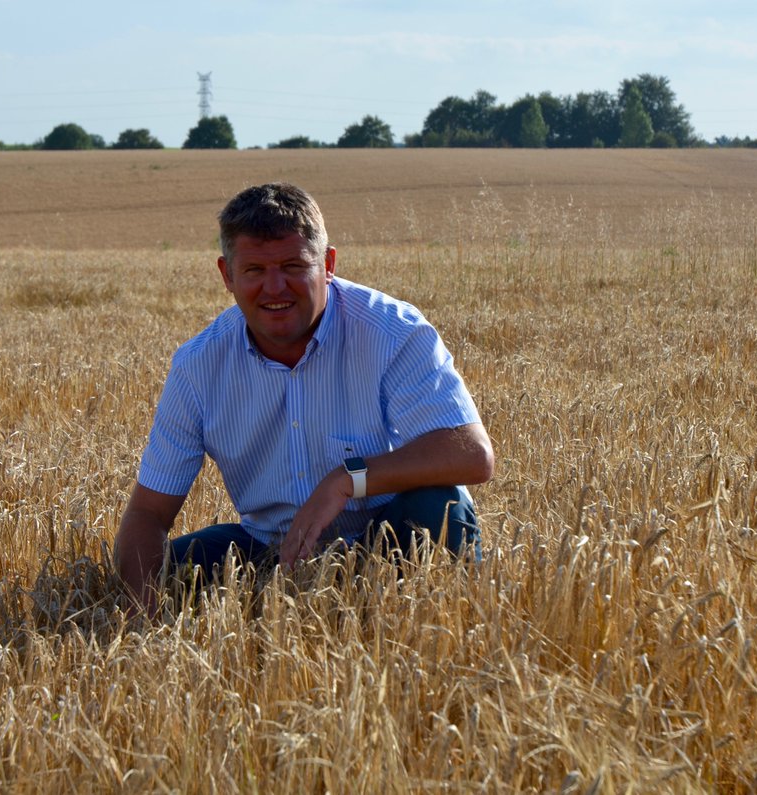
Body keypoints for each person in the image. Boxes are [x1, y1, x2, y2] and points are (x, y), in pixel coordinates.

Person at [115, 182, 493, 612]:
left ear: (328, 264)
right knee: (169, 567)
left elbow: (471, 455)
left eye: (294, 265)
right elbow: (147, 514)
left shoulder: (393, 332)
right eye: (255, 270)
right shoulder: (198, 365)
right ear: (227, 275)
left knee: (439, 508)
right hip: (269, 549)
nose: (275, 288)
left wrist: (347, 479)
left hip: (387, 537)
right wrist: (140, 615)